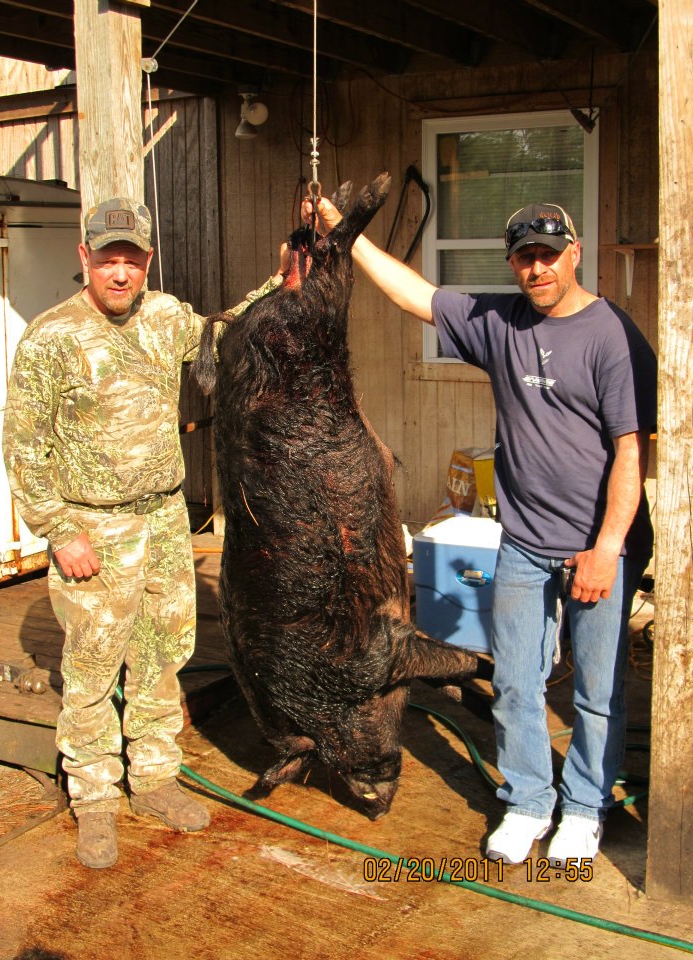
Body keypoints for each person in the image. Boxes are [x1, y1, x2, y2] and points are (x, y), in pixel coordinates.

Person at [303, 195, 656, 867]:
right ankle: (527, 802)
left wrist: (608, 548)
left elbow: (633, 452)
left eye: (549, 254)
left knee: (598, 691)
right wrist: (343, 235)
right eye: (525, 257)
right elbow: (419, 296)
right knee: (518, 683)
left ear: (574, 253)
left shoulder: (613, 335)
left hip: (598, 547)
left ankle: (584, 808)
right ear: (514, 264)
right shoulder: (501, 322)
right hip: (524, 540)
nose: (537, 268)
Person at [2, 198, 285, 869]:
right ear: (85, 260)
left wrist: (283, 281)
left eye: (132, 258)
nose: (121, 272)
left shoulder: (166, 318)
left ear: (148, 261)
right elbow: (23, 446)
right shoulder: (51, 338)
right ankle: (95, 798)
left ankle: (154, 777)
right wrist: (59, 530)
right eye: (109, 258)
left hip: (163, 520)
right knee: (93, 669)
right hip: (93, 527)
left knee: (163, 656)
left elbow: (230, 331)